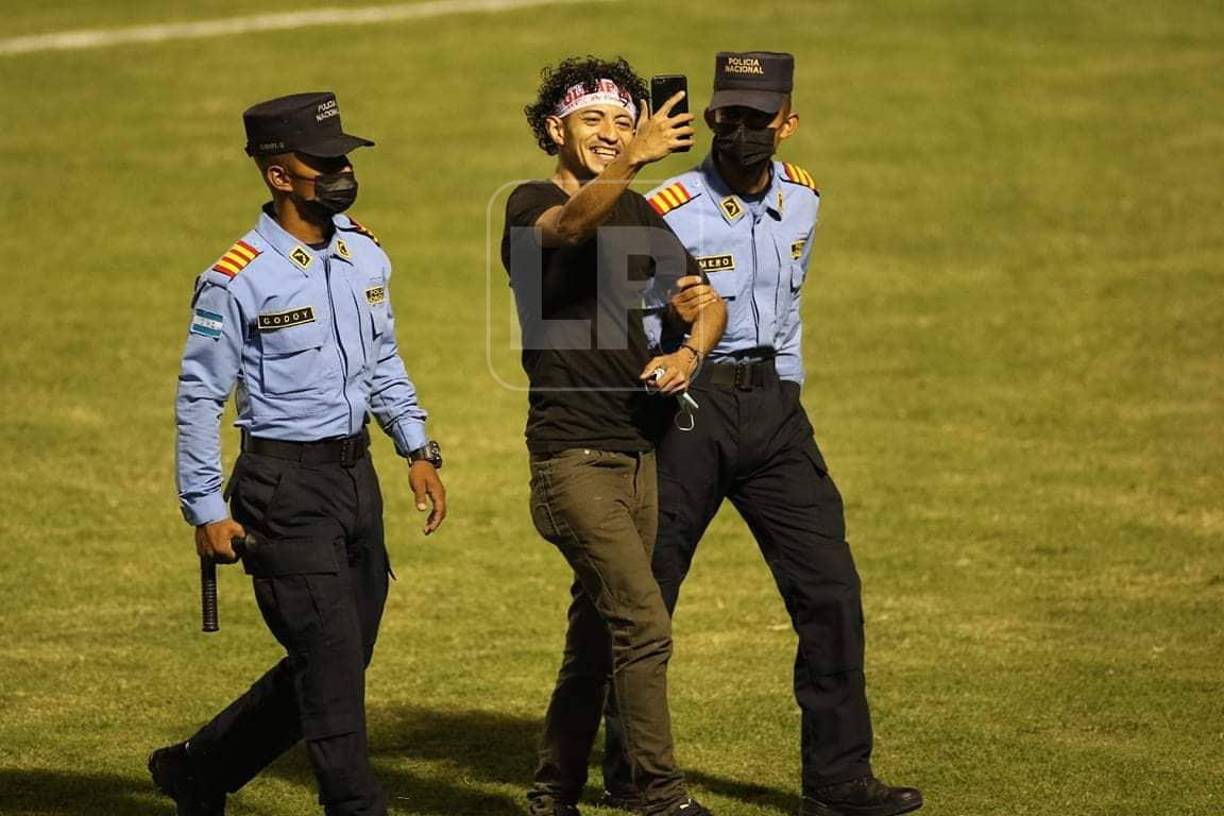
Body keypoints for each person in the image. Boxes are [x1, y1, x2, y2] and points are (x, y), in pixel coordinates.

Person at [599, 53, 923, 816]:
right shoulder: (664, 207)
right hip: (685, 415)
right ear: (710, 118)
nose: (741, 131)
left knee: (831, 592)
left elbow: (790, 307)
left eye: (757, 118)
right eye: (727, 116)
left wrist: (787, 387)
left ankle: (839, 780)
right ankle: (631, 775)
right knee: (648, 598)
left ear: (787, 121)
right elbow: (613, 320)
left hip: (775, 412)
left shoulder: (805, 200)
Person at [149, 91, 446, 816]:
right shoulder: (237, 278)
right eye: (326, 162)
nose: (343, 172)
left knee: (336, 660)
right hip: (283, 489)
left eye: (345, 158)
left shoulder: (364, 253)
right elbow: (198, 397)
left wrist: (416, 444)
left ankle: (200, 768)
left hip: (357, 482)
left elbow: (383, 360)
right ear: (280, 176)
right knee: (333, 664)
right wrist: (204, 507)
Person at [501, 57, 727, 816]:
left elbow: (706, 303)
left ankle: (553, 792)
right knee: (643, 622)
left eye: (624, 122)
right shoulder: (529, 203)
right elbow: (569, 225)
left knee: (598, 637)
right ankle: (659, 795)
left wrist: (688, 350)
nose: (610, 134)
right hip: (571, 460)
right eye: (593, 119)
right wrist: (634, 159)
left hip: (639, 457)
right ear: (553, 129)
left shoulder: (637, 216)